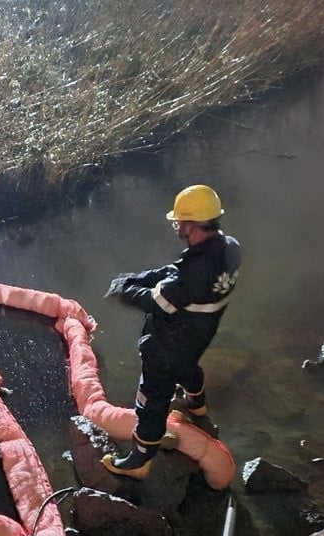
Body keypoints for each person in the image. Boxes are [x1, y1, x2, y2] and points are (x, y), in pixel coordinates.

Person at [102, 184, 241, 479]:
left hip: (169, 345)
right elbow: (173, 271)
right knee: (190, 368)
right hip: (199, 336)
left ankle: (139, 461)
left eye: (178, 222)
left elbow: (157, 301)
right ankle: (197, 405)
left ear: (190, 225)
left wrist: (123, 289)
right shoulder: (229, 247)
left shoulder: (192, 273)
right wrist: (140, 277)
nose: (176, 226)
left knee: (150, 400)